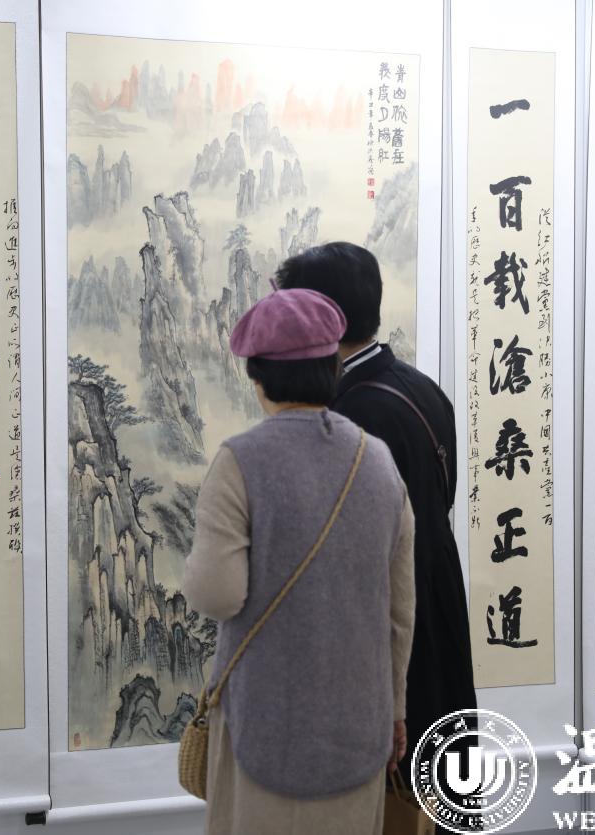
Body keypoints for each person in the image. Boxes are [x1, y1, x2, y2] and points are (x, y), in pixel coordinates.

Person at [183, 288, 416, 835]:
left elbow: (216, 594)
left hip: (264, 721)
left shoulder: (239, 461)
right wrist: (395, 709)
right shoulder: (377, 459)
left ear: (256, 375)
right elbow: (400, 609)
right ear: (334, 368)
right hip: (359, 722)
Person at [276, 242, 477, 779]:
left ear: (325, 318)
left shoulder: (353, 414)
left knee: (391, 789)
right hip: (435, 603)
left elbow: (348, 560)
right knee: (440, 778)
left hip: (388, 630)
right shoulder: (419, 388)